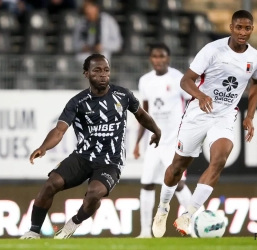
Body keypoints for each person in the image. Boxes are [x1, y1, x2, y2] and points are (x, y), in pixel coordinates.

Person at [20, 53, 161, 239]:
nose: (103, 75)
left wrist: (156, 130)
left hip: (111, 160)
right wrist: (44, 147)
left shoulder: (123, 95)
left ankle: (73, 224)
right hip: (83, 157)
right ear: (86, 73)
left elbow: (141, 115)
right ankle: (33, 232)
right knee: (51, 184)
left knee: (94, 194)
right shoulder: (77, 102)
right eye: (97, 70)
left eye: (106, 70)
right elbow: (59, 130)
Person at [152, 10, 257, 237]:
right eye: (239, 27)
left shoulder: (256, 59)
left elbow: (256, 84)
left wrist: (250, 116)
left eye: (247, 28)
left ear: (252, 29)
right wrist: (201, 96)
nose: (243, 32)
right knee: (177, 168)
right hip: (198, 113)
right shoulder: (212, 50)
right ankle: (162, 209)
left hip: (224, 115)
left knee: (220, 158)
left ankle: (187, 215)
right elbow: (186, 80)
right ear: (231, 27)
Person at [133, 43, 192, 238]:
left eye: (162, 56)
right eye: (155, 56)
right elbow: (145, 114)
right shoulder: (145, 81)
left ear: (168, 58)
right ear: (151, 59)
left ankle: (196, 224)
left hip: (174, 141)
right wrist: (136, 142)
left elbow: (191, 105)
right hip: (154, 142)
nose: (158, 60)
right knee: (147, 183)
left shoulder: (178, 79)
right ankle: (144, 232)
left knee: (178, 184)